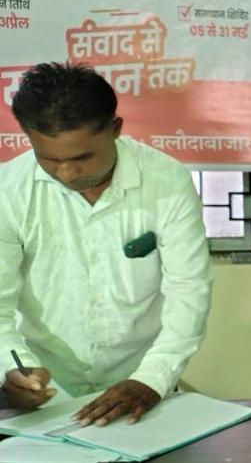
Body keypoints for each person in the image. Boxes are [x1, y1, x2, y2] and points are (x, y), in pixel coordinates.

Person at [0, 63, 213, 426]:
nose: (67, 173)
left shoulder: (166, 182)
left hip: (141, 382)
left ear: (115, 129)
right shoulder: (9, 189)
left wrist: (152, 378)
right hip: (47, 388)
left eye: (82, 158)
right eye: (49, 159)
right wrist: (12, 365)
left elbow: (188, 288)